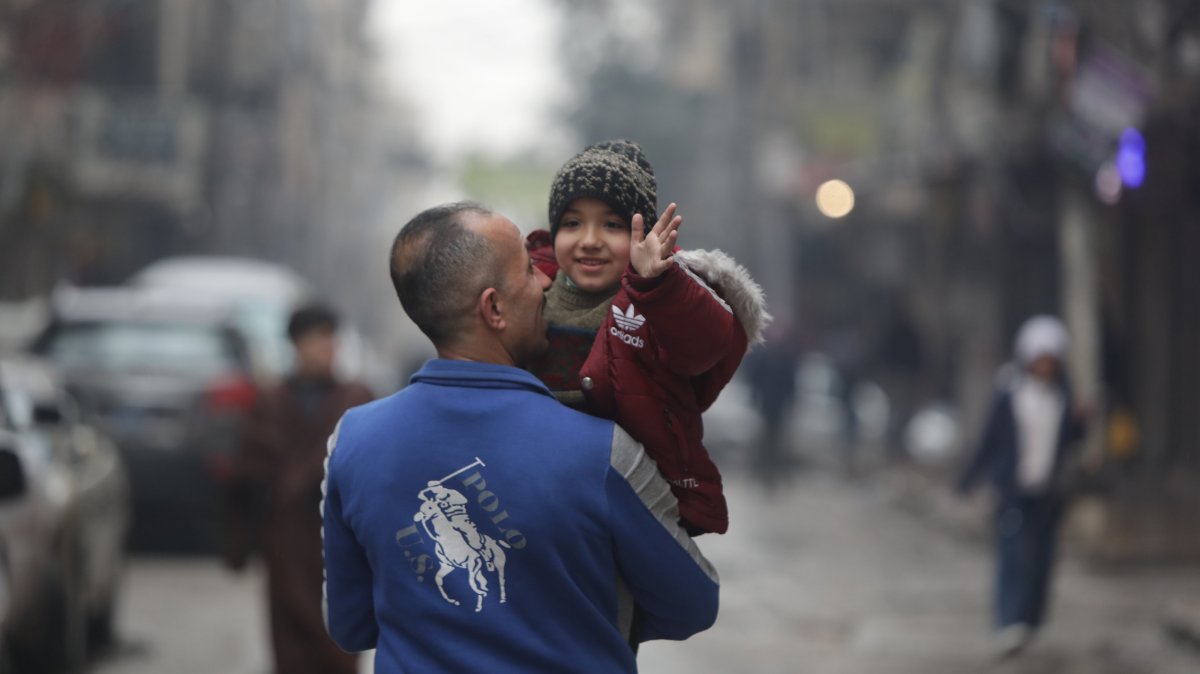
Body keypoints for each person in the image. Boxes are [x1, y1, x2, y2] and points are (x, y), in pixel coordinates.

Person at [322, 202, 719, 672]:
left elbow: (349, 624)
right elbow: (693, 603)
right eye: (530, 270)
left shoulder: (351, 442)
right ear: (493, 308)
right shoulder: (603, 452)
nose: (546, 283)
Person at [525, 139, 769, 535]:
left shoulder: (656, 299)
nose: (590, 239)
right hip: (541, 489)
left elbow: (703, 348)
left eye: (612, 225)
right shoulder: (530, 294)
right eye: (572, 224)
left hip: (637, 498)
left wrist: (659, 285)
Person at [223, 304, 373, 674]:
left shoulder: (355, 398)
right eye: (318, 339)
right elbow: (246, 472)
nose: (327, 348)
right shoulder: (271, 400)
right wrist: (238, 544)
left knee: (338, 643)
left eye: (331, 339)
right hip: (286, 540)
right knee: (291, 645)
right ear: (295, 344)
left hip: (339, 539)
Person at [957, 315, 1088, 658]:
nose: (1044, 366)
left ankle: (1030, 620)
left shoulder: (1064, 396)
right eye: (1039, 359)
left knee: (1042, 559)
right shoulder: (1009, 393)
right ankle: (1008, 622)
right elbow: (990, 440)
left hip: (1049, 492)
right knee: (1013, 555)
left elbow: (1072, 442)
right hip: (1012, 491)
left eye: (1050, 360)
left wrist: (1082, 421)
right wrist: (968, 480)